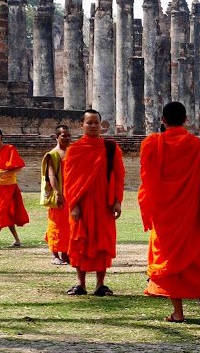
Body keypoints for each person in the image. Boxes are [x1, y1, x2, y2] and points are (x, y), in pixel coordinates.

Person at [139, 101, 200, 323]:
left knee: (170, 260)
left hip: (164, 213)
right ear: (186, 120)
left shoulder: (151, 143)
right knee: (196, 260)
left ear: (162, 120)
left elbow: (147, 179)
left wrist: (148, 207)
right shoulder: (197, 144)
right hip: (190, 212)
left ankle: (178, 312)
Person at [62, 109, 125, 297]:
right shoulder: (74, 150)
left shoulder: (110, 148)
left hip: (103, 203)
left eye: (96, 123)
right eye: (89, 123)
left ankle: (100, 284)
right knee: (79, 241)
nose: (93, 126)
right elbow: (69, 180)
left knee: (102, 242)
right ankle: (80, 283)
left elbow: (119, 175)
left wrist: (117, 201)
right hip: (81, 204)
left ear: (101, 125)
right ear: (81, 126)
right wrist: (73, 205)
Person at [0, 127, 29, 249]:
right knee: (6, 213)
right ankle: (17, 241)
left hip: (10, 186)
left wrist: (2, 173)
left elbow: (18, 168)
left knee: (2, 211)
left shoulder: (10, 149)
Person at [41, 124, 72, 265]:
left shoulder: (71, 152)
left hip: (71, 192)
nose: (66, 138)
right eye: (63, 135)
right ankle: (55, 254)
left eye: (68, 135)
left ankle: (66, 253)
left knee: (69, 224)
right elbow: (51, 175)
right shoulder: (52, 154)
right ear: (57, 137)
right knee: (56, 223)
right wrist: (57, 192)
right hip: (59, 192)